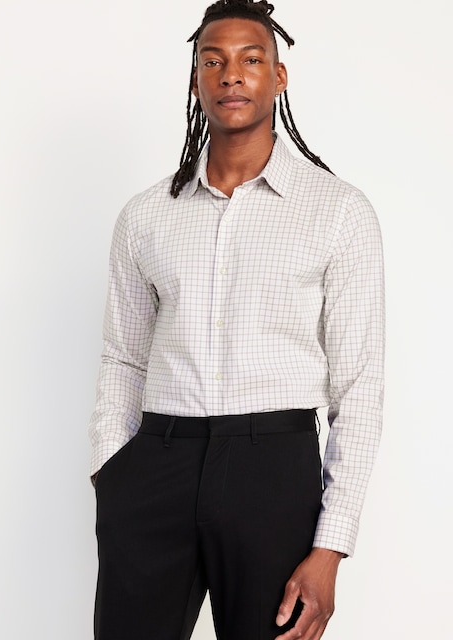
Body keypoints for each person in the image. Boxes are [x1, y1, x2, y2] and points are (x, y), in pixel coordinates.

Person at [88, 1, 385, 639]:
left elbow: (359, 386)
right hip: (157, 464)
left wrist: (331, 546)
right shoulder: (146, 216)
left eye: (251, 59)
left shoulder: (338, 211)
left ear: (279, 77)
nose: (231, 74)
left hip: (273, 471)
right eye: (213, 60)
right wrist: (113, 476)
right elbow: (123, 357)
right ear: (196, 79)